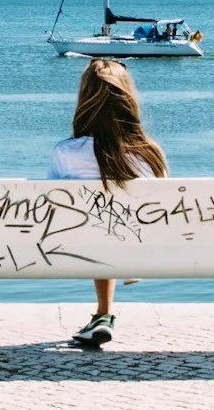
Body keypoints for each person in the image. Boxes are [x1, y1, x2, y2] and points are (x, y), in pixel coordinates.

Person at [49, 57, 167, 349]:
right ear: (128, 100)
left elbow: (50, 206)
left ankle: (104, 312)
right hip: (141, 244)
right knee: (110, 226)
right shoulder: (151, 154)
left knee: (98, 228)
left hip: (82, 246)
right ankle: (103, 313)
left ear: (84, 100)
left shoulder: (67, 153)